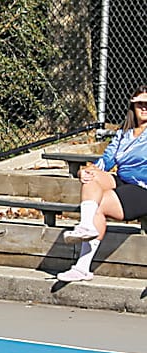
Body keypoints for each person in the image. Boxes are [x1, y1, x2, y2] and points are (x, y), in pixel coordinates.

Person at [58, 85, 147, 282]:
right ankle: (86, 226)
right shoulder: (124, 133)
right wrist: (85, 171)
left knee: (100, 204)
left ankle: (82, 266)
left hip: (143, 187)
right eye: (140, 103)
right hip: (123, 180)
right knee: (91, 175)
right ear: (133, 106)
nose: (144, 107)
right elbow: (105, 162)